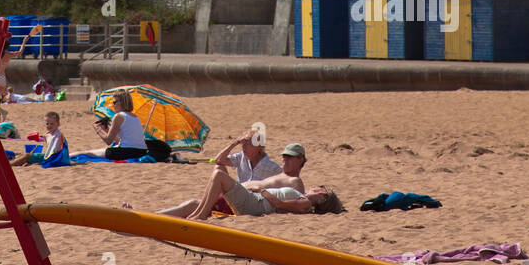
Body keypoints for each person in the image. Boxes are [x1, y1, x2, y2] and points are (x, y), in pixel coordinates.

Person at [160, 142, 310, 219]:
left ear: (300, 160)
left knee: (215, 178)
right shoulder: (278, 174)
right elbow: (219, 160)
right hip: (235, 196)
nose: (285, 159)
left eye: (290, 157)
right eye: (284, 156)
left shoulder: (294, 181)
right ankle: (152, 215)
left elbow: (297, 205)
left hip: (244, 201)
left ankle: (199, 215)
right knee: (193, 202)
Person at [160, 163, 344, 223]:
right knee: (216, 174)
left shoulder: (305, 203)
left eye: (321, 189)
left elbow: (280, 205)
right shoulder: (303, 198)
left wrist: (261, 190)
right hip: (254, 200)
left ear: (322, 198)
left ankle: (198, 216)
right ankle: (195, 214)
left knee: (218, 175)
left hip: (255, 203)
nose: (316, 187)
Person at [87, 90, 164, 160]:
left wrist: (97, 129)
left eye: (114, 102)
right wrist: (106, 130)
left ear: (122, 102)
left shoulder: (119, 116)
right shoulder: (135, 117)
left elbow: (108, 141)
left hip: (126, 152)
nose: (113, 105)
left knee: (87, 153)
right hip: (141, 152)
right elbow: (122, 141)